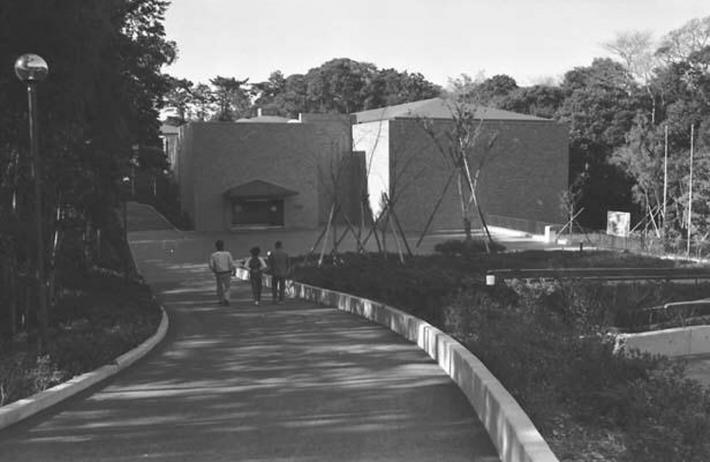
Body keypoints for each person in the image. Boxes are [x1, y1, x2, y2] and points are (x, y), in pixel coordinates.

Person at [208, 240, 236, 306]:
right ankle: (227, 299)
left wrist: (214, 270)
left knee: (219, 287)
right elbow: (231, 263)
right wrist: (234, 270)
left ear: (216, 246)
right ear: (223, 246)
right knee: (227, 287)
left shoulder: (214, 255)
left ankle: (221, 300)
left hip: (219, 272)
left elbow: (211, 265)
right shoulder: (228, 254)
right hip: (227, 272)